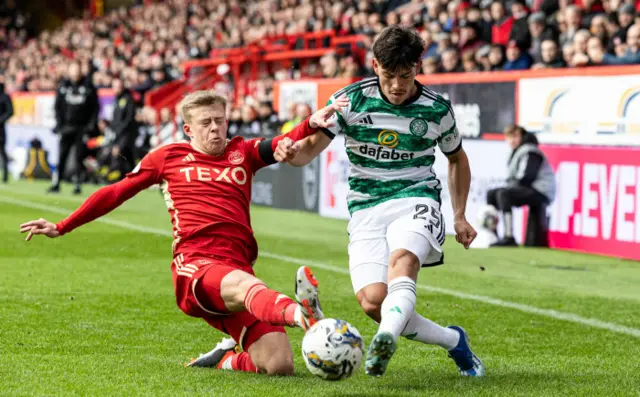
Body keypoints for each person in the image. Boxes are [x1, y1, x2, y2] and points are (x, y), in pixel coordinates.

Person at [20, 90, 348, 376]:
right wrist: (62, 226)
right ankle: (302, 314)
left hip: (237, 267)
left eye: (220, 120)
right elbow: (115, 192)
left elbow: (280, 143)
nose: (216, 128)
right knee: (245, 285)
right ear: (188, 128)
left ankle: (225, 360)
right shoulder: (167, 158)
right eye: (206, 122)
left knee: (279, 364)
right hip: (196, 267)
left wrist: (311, 122)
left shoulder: (242, 152)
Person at [274, 25, 485, 378]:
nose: (398, 85)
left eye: (406, 75)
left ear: (418, 67)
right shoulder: (350, 101)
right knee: (374, 301)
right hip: (366, 206)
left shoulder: (436, 109)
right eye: (389, 75)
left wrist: (459, 215)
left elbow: (457, 158)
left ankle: (383, 340)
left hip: (415, 197)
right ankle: (453, 341)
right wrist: (289, 151)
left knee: (402, 261)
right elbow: (307, 152)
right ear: (375, 65)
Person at [486, 124, 556, 247]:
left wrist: (509, 188)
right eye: (509, 137)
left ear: (522, 136)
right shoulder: (518, 151)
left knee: (503, 194)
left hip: (541, 191)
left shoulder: (530, 150)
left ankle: (509, 236)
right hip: (531, 188)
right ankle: (492, 234)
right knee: (492, 194)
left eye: (515, 136)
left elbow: (527, 177)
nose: (512, 140)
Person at [48, 61, 100, 195]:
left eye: (77, 69)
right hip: (66, 128)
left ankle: (77, 184)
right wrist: (59, 125)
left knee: (78, 158)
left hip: (81, 128)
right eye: (73, 69)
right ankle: (56, 183)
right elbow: (57, 107)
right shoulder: (63, 86)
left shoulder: (88, 86)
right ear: (69, 71)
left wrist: (90, 127)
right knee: (62, 156)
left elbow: (94, 109)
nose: (75, 72)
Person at [0, 81, 14, 183]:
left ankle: (5, 175)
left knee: (3, 152)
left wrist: (0, 120)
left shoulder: (5, 97)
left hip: (1, 129)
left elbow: (10, 111)